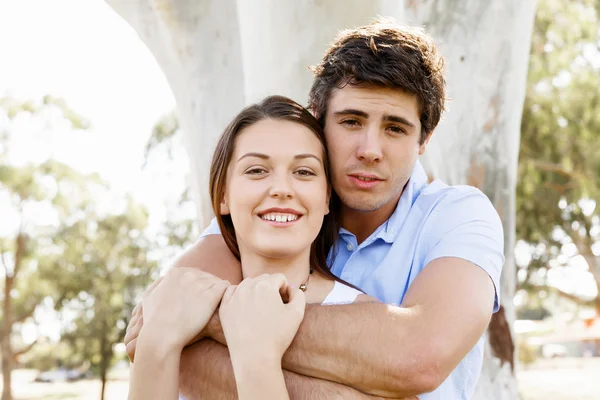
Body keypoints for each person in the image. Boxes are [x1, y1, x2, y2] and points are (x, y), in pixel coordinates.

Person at [126, 20, 504, 399]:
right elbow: (153, 332)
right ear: (318, 118)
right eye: (351, 121)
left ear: (424, 139)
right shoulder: (273, 211)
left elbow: (420, 358)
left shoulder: (459, 215)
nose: (370, 149)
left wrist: (217, 320)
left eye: (395, 128)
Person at [128, 96, 383, 400]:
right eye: (257, 170)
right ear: (222, 195)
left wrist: (257, 356)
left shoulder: (367, 319)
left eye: (303, 172)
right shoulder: (177, 305)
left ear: (326, 197)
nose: (281, 189)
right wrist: (156, 342)